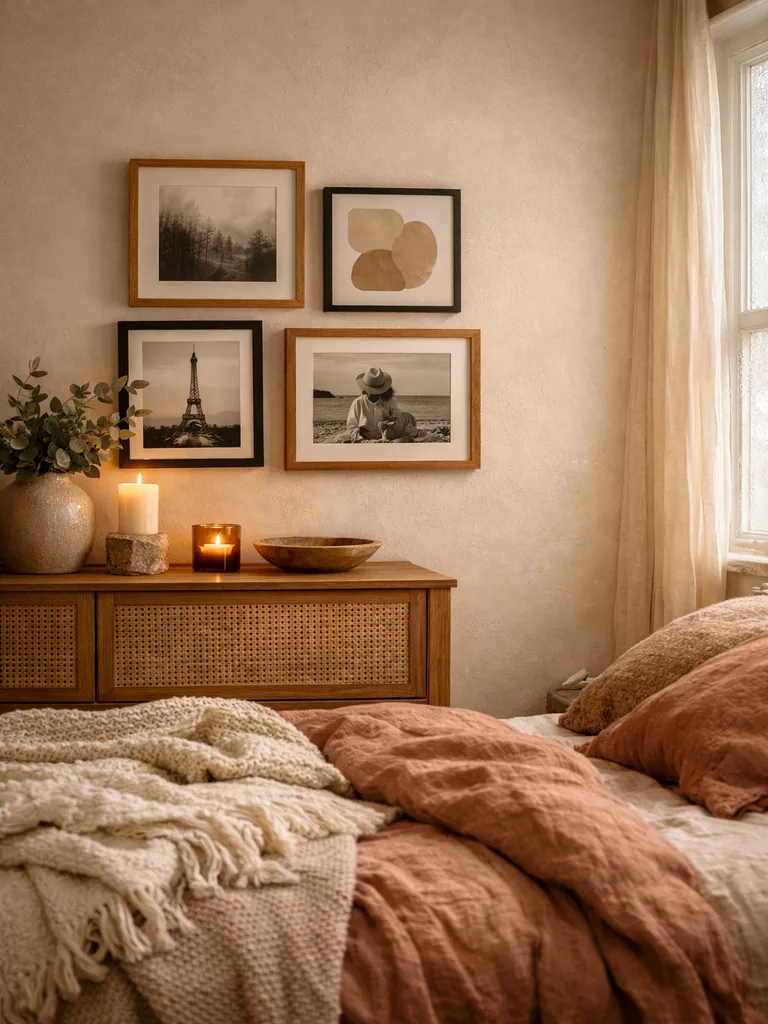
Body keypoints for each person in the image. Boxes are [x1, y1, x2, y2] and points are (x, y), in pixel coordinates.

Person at [330, 368, 418, 443]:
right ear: (366, 389)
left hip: (386, 433)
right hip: (365, 435)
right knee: (340, 438)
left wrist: (389, 420)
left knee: (407, 416)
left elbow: (397, 414)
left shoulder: (388, 400)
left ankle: (393, 438)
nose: (375, 393)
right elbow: (352, 426)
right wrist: (363, 440)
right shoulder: (358, 402)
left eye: (378, 390)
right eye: (372, 390)